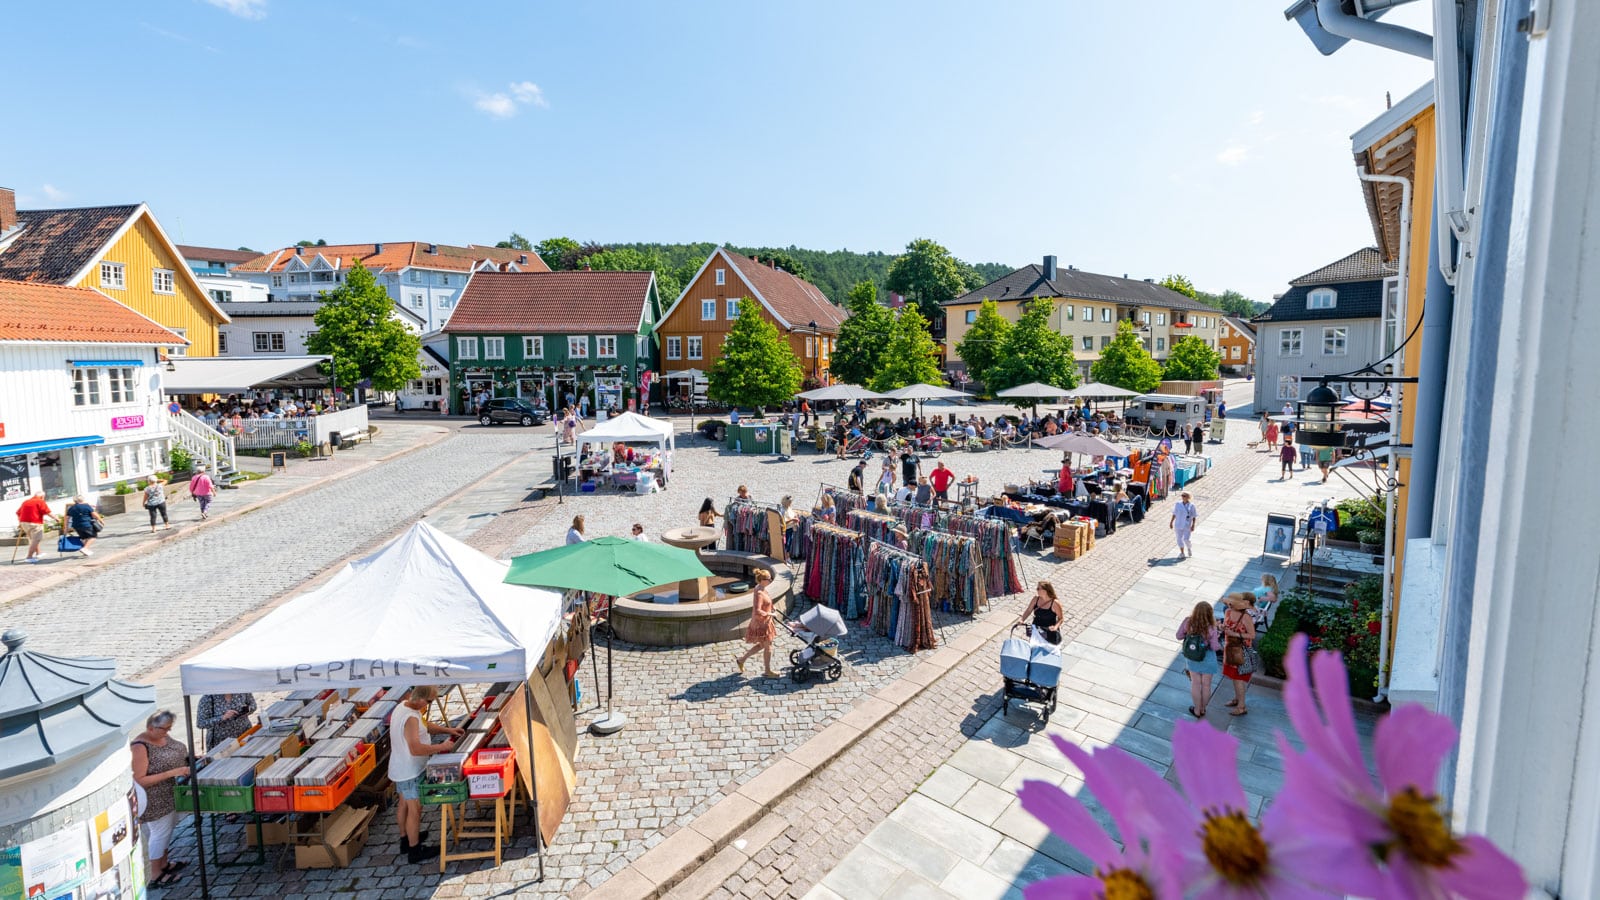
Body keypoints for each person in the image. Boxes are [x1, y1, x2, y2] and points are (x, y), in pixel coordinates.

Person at [389, 686, 465, 862]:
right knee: (414, 809)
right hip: (409, 770)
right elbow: (415, 749)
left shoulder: (404, 707)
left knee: (404, 805)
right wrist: (441, 747)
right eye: (429, 701)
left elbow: (425, 726)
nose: (429, 705)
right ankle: (414, 850)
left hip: (400, 768)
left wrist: (448, 730)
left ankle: (405, 840)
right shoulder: (410, 718)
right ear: (419, 698)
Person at [132, 711, 191, 887]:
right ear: (151, 728)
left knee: (167, 830)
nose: (167, 732)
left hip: (169, 793)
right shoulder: (140, 747)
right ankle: (155, 874)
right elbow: (140, 780)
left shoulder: (162, 736)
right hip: (154, 799)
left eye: (169, 728)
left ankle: (164, 864)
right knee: (159, 833)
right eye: (164, 729)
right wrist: (172, 773)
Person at [1176, 601, 1222, 719]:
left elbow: (1178, 636)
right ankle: (1203, 709)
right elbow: (1214, 647)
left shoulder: (1188, 621)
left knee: (1195, 684)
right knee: (1206, 685)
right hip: (1208, 659)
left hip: (1192, 658)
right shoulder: (1211, 627)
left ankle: (1196, 709)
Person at [733, 569, 780, 677]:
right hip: (762, 624)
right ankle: (768, 671)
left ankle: (741, 660)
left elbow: (767, 601)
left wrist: (772, 607)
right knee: (768, 646)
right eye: (768, 579)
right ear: (762, 580)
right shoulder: (759, 592)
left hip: (764, 622)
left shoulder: (760, 587)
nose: (770, 580)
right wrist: (771, 614)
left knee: (762, 645)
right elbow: (758, 610)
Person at [1221, 593, 1258, 716]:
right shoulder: (1227, 612)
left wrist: (1235, 634)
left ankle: (1241, 707)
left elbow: (1252, 635)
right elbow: (1226, 626)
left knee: (1238, 679)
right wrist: (1222, 627)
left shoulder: (1245, 617)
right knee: (1233, 677)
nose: (1229, 604)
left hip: (1241, 651)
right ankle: (1237, 699)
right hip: (1230, 649)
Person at [15, 491, 57, 563]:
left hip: (24, 523)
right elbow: (47, 511)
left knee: (33, 539)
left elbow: (18, 512)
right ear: (42, 497)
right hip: (34, 522)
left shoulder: (26, 501)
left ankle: (38, 553)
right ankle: (29, 557)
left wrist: (20, 521)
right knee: (36, 539)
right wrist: (56, 518)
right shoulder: (40, 501)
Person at [1170, 490, 1197, 558]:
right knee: (1179, 539)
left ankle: (1189, 548)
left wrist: (1193, 525)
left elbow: (1194, 516)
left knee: (1186, 539)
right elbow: (1174, 513)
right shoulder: (1178, 504)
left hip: (1187, 525)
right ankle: (1182, 553)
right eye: (1182, 495)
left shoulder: (1192, 506)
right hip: (1178, 524)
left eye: (1184, 496)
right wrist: (1171, 522)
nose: (1182, 497)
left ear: (1188, 497)